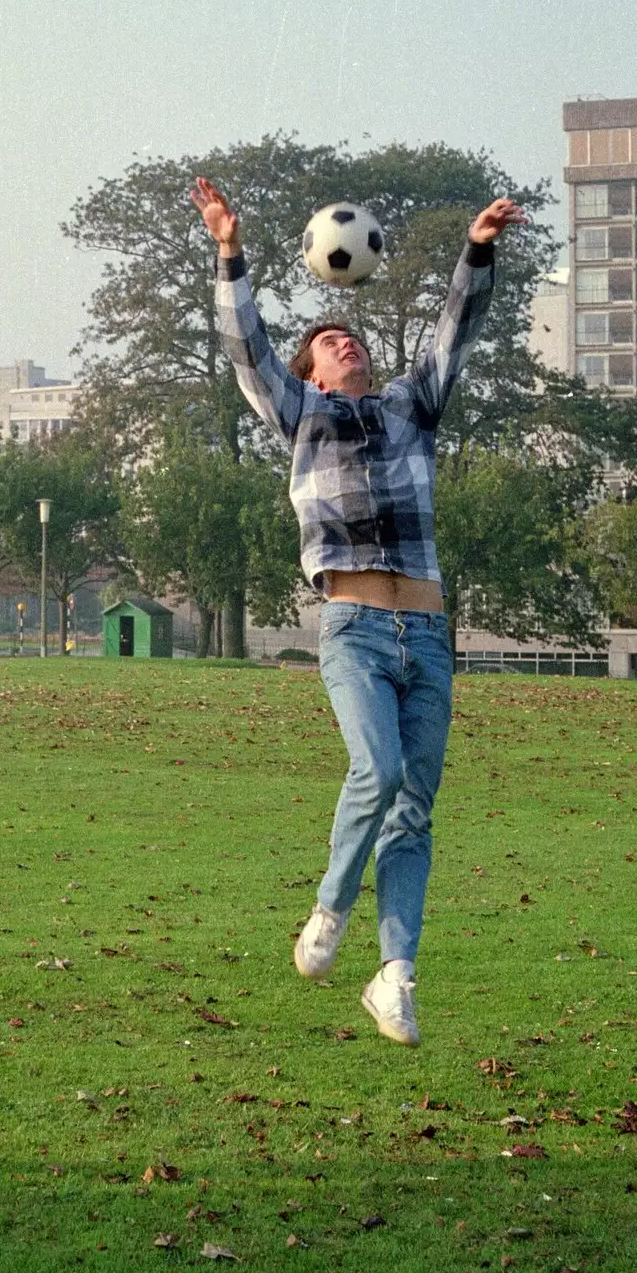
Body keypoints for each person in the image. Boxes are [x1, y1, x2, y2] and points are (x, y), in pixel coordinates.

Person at [191, 175, 525, 1045]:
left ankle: (395, 976)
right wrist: (230, 249)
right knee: (376, 774)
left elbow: (458, 331)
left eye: (353, 336)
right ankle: (331, 909)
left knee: (415, 809)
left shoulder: (411, 408)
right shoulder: (299, 414)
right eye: (332, 340)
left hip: (430, 634)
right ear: (312, 371)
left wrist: (476, 249)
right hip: (354, 628)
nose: (349, 343)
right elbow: (245, 346)